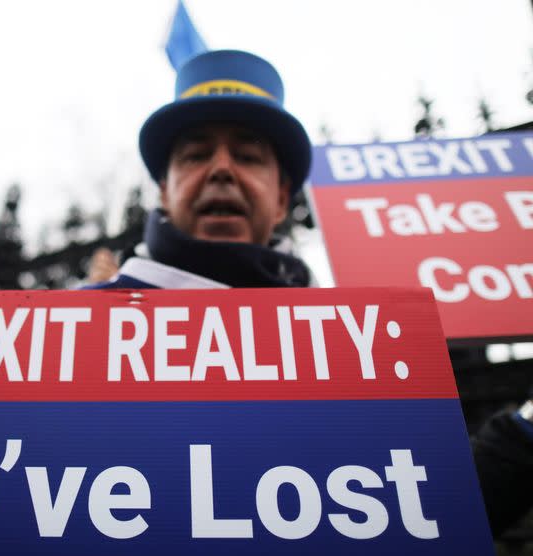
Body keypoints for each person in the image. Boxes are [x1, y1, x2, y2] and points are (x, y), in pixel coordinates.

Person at [88, 49, 533, 536]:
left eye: (249, 155)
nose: (221, 169)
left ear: (281, 198)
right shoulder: (72, 330)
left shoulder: (356, 351)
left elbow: (425, 513)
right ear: (163, 191)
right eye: (196, 154)